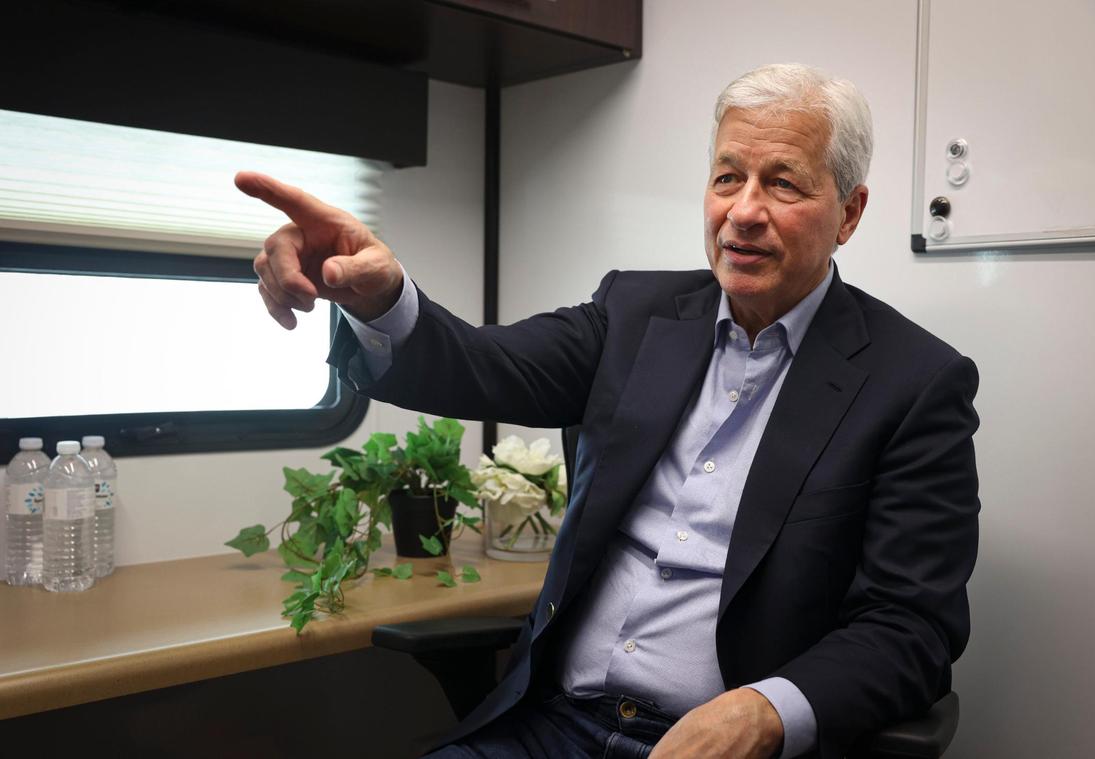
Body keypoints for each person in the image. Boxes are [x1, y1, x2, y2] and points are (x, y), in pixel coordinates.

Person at [237, 63, 980, 759]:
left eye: (783, 184)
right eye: (728, 177)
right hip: (551, 723)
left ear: (849, 213)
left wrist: (764, 712)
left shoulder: (914, 382)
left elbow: (911, 627)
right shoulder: (634, 312)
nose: (744, 211)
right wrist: (379, 298)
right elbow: (481, 366)